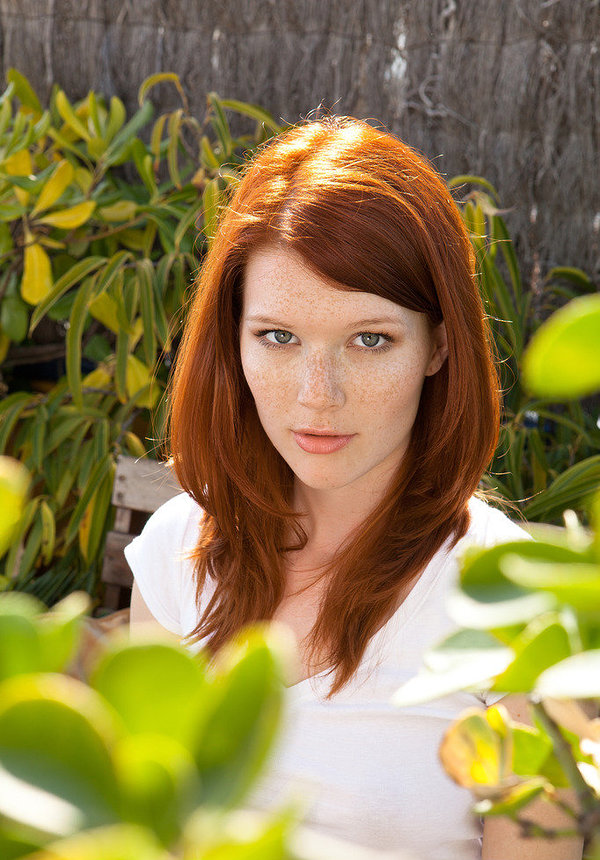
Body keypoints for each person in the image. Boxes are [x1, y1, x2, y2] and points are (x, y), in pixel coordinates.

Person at [127, 116, 583, 860]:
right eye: (278, 337)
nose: (317, 394)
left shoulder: (517, 611)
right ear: (233, 338)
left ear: (438, 345)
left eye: (370, 339)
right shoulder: (178, 554)